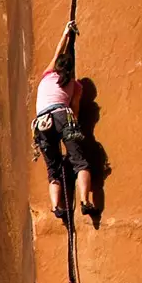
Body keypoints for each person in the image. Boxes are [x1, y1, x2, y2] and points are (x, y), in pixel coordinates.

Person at [34, 22, 97, 225]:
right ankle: (85, 201)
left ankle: (56, 206)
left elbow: (57, 52)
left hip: (41, 122)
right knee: (80, 162)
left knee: (53, 169)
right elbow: (75, 111)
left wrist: (65, 33)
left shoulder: (48, 75)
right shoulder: (75, 86)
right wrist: (74, 133)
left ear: (58, 67)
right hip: (63, 116)